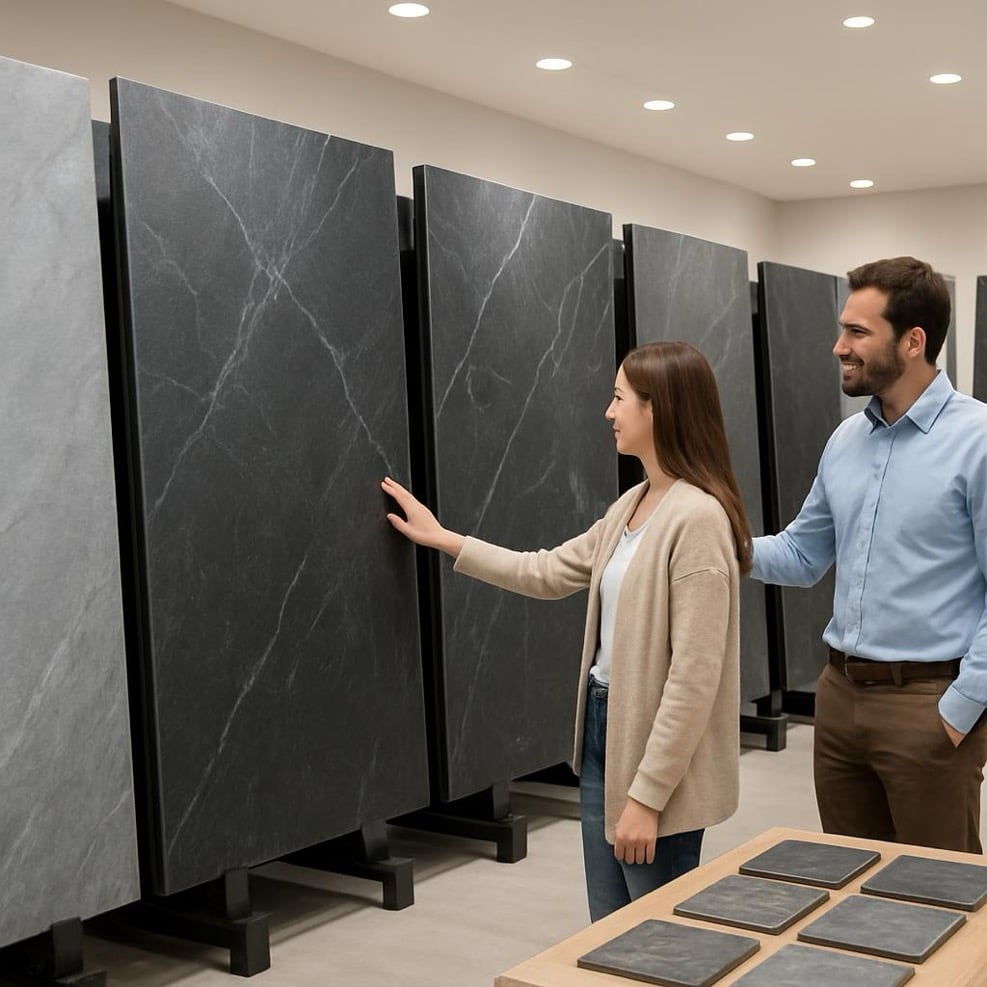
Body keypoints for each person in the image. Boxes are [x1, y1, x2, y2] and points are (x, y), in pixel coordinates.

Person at [382, 341, 751, 921]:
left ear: (659, 409)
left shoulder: (698, 520)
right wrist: (446, 539)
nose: (609, 411)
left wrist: (647, 798)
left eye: (619, 397)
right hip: (607, 734)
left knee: (659, 941)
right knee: (607, 931)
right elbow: (547, 570)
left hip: (654, 749)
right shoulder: (632, 503)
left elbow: (693, 680)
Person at [751, 255, 987, 853]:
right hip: (838, 700)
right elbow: (802, 556)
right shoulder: (846, 439)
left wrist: (960, 710)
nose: (839, 347)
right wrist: (714, 542)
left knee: (939, 900)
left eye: (858, 332)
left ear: (913, 341)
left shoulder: (978, 441)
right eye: (842, 329)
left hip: (930, 703)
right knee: (855, 895)